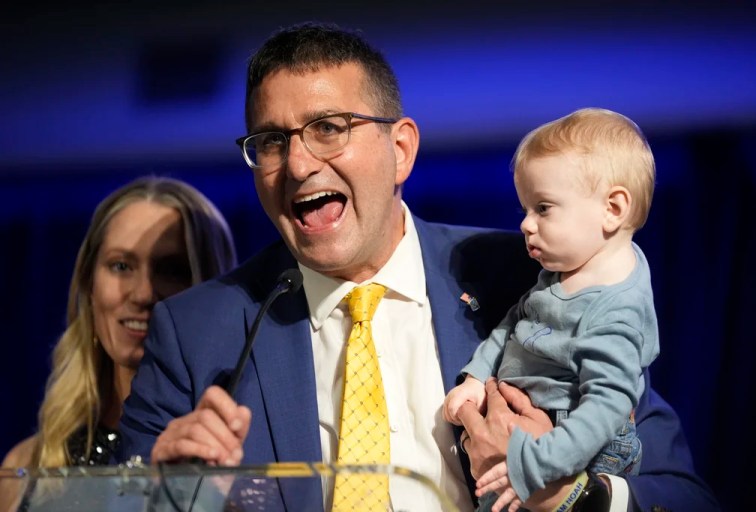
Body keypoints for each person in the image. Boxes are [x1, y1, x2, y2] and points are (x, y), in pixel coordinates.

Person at [118, 22, 719, 511]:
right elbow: (116, 499)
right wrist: (165, 498)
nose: (297, 164)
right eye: (271, 141)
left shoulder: (528, 277)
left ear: (401, 149)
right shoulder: (195, 332)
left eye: (328, 128)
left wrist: (569, 495)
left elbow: (681, 495)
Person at [443, 108, 659, 511]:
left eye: (543, 208)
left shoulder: (615, 311)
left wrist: (536, 466)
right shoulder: (566, 271)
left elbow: (605, 410)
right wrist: (476, 377)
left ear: (613, 209)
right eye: (525, 210)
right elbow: (516, 321)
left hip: (569, 446)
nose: (526, 225)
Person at [0, 176, 237, 511]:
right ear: (89, 286)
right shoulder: (26, 465)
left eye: (172, 270)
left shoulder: (241, 467)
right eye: (121, 266)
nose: (143, 293)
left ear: (211, 291)